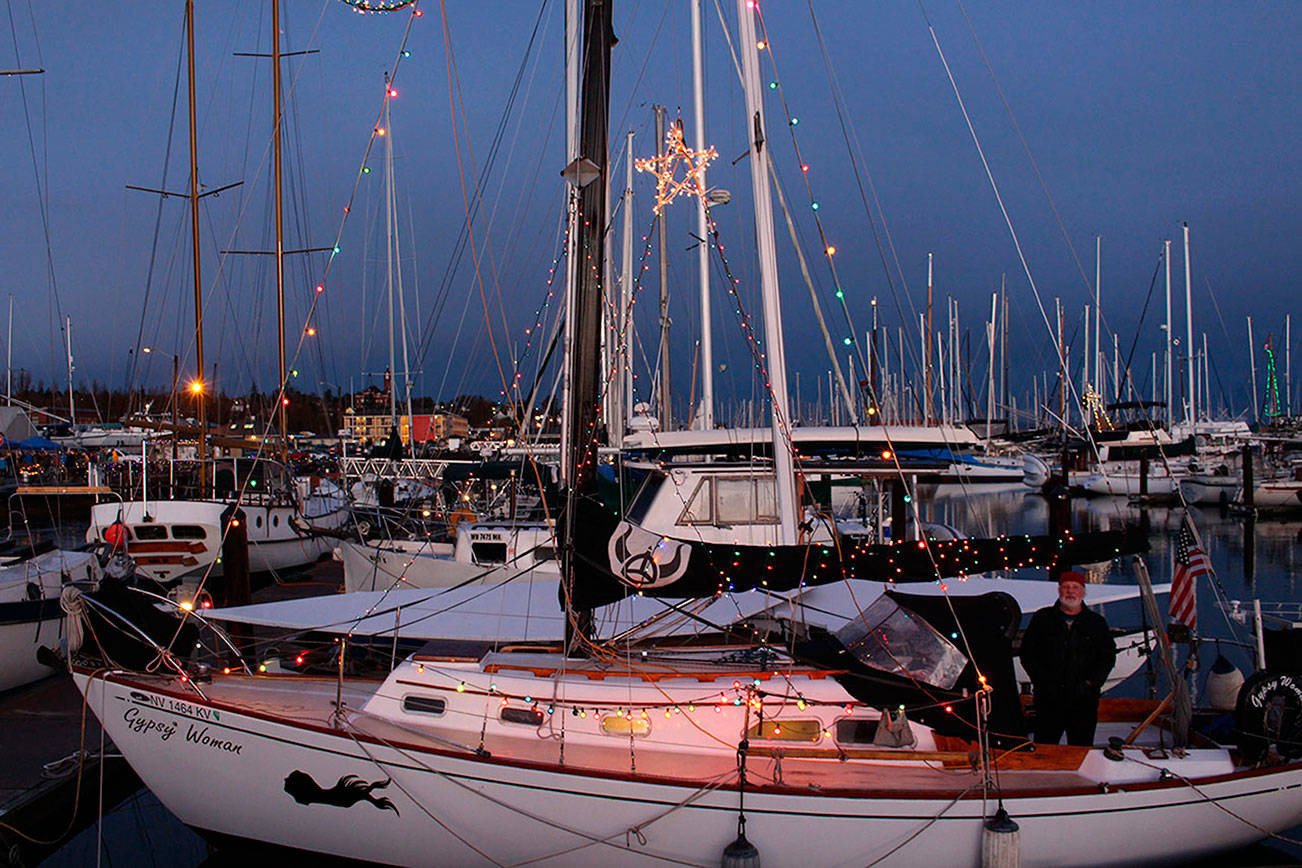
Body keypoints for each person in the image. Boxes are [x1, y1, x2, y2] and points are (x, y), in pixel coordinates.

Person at [1019, 571, 1117, 746]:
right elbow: (1028, 654)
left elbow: (1107, 657)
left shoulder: (1095, 622)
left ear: (1083, 592)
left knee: (1082, 747)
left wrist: (1091, 683)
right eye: (1066, 587)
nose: (1070, 592)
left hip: (1083, 700)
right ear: (1059, 590)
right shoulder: (1043, 619)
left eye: (1075, 587)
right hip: (1049, 698)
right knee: (1045, 746)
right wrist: (1041, 681)